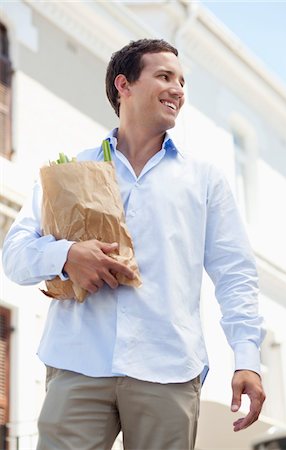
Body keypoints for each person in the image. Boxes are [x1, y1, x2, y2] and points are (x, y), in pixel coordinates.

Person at [2, 38, 266, 450]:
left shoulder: (204, 179)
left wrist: (247, 358)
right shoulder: (71, 169)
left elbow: (235, 273)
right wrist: (67, 256)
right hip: (77, 364)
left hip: (168, 371)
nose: (178, 89)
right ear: (123, 85)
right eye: (164, 76)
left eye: (182, 80)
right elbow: (14, 255)